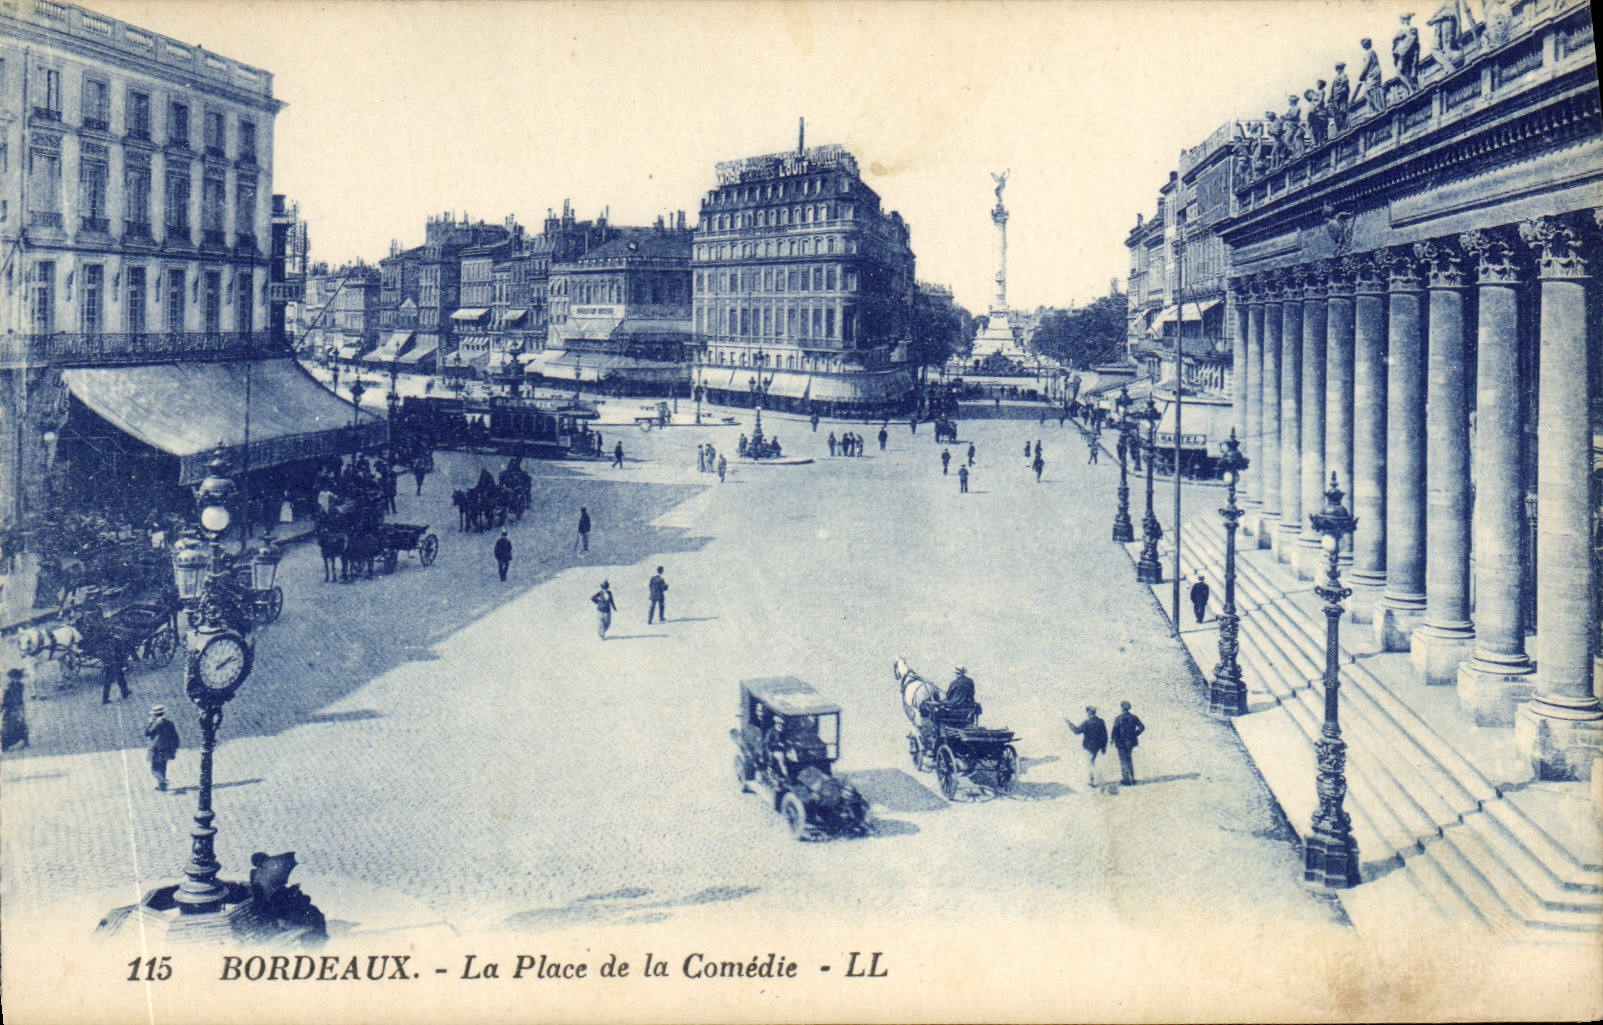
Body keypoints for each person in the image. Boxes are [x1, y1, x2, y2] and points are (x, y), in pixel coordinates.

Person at [1066, 706, 1108, 787]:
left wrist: (1069, 723)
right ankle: (1092, 780)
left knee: (1090, 763)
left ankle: (1092, 781)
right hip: (1097, 746)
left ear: (1089, 712)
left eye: (1087, 712)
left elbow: (1077, 731)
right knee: (1092, 761)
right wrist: (1104, 747)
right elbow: (1104, 735)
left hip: (1088, 746)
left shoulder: (1087, 722)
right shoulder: (1101, 722)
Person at [145, 704, 180, 791]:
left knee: (154, 769)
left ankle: (163, 781)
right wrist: (175, 747)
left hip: (156, 748)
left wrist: (149, 723)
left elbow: (147, 733)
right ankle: (162, 786)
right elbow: (175, 736)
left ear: (154, 714)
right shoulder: (170, 723)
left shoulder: (156, 723)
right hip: (167, 748)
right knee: (163, 767)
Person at [1111, 701, 1146, 786]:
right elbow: (1142, 727)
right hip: (1131, 742)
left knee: (1123, 760)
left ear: (1122, 708)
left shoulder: (1118, 718)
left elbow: (1115, 731)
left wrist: (1113, 740)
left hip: (1121, 742)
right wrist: (1135, 735)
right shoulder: (1133, 717)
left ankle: (1126, 780)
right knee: (1129, 759)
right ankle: (1132, 779)